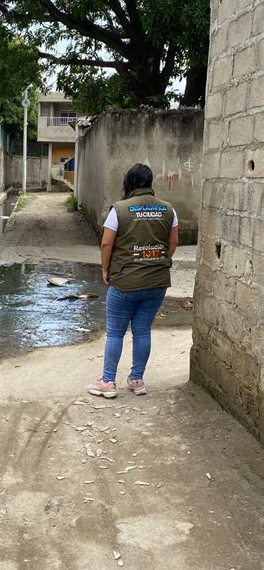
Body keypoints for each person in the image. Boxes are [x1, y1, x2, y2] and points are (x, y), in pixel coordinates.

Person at [88, 164, 179, 399]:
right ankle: (137, 380)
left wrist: (106, 270)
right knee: (142, 331)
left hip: (125, 282)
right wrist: (158, 261)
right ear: (150, 183)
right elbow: (173, 242)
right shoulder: (169, 210)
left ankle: (108, 382)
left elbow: (106, 244)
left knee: (115, 333)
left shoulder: (119, 210)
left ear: (128, 182)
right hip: (157, 282)